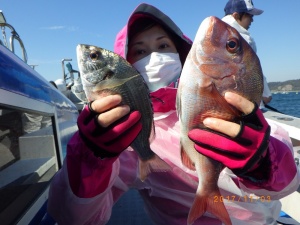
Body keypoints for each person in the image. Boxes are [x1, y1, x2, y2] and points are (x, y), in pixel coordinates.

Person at [47, 3, 300, 225]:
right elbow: (74, 219)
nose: (154, 57)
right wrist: (91, 158)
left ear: (182, 54)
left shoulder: (233, 100)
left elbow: (286, 186)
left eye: (163, 45)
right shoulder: (126, 139)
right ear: (126, 65)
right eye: (140, 51)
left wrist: (264, 162)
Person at [222, 0, 273, 109]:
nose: (252, 20)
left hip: (225, 103)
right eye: (249, 16)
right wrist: (265, 94)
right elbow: (252, 69)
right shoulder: (243, 38)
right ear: (236, 15)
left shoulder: (218, 34)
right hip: (246, 104)